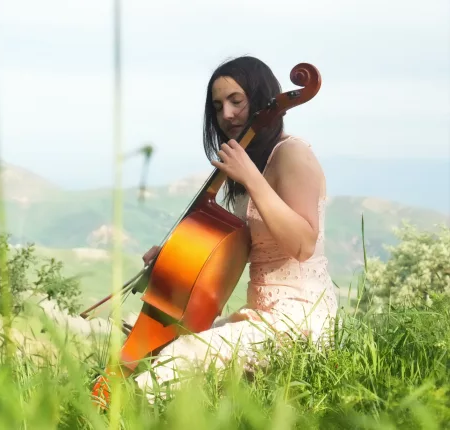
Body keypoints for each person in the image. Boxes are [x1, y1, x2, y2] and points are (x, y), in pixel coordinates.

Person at [133, 56, 339, 398]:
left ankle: (115, 415)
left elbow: (303, 245)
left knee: (183, 356)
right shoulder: (252, 162)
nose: (226, 114)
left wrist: (251, 178)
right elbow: (240, 251)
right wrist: (173, 258)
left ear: (260, 100)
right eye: (218, 107)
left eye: (236, 101)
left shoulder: (291, 154)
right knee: (161, 347)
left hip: (302, 318)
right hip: (261, 315)